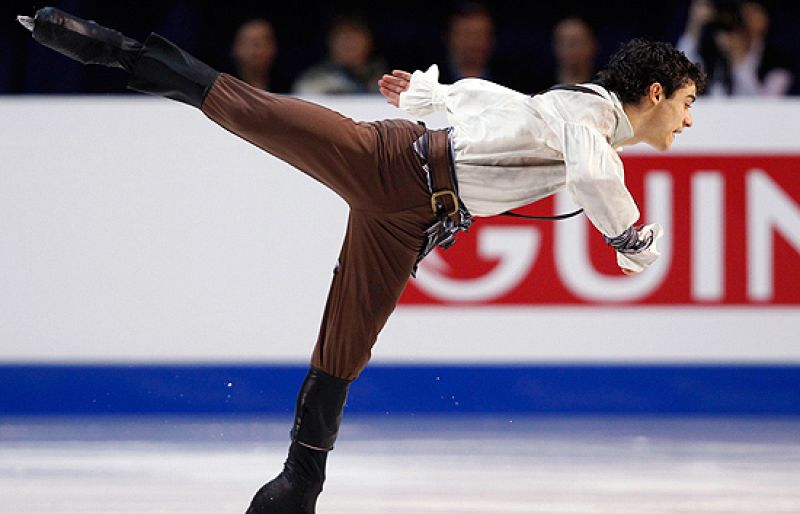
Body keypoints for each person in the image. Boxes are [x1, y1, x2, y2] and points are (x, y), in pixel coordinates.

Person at [18, 6, 706, 513]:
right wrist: (627, 236)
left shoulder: (579, 110)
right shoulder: (594, 123)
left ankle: (297, 486)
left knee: (347, 343)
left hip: (416, 216)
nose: (688, 119)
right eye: (686, 103)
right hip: (391, 160)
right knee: (250, 108)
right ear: (655, 94)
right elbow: (592, 177)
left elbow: (510, 107)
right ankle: (107, 47)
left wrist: (440, 96)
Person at [677, 0, 792, 95]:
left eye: (753, 11)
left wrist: (739, 60)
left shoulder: (777, 59)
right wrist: (694, 27)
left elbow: (767, 106)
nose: (746, 17)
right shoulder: (710, 49)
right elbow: (680, 75)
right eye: (743, 10)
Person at [292, 16, 385, 94]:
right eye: (342, 35)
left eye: (355, 34)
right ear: (330, 41)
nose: (349, 42)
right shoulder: (311, 81)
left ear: (369, 40)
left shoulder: (385, 79)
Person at [230, 18, 279, 92]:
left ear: (274, 47)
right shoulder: (223, 90)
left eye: (262, 42)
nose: (256, 50)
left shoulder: (293, 87)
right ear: (235, 48)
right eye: (248, 42)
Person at [552, 17, 599, 86]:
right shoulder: (538, 90)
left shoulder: (608, 87)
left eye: (577, 42)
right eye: (563, 42)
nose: (570, 48)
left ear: (592, 45)